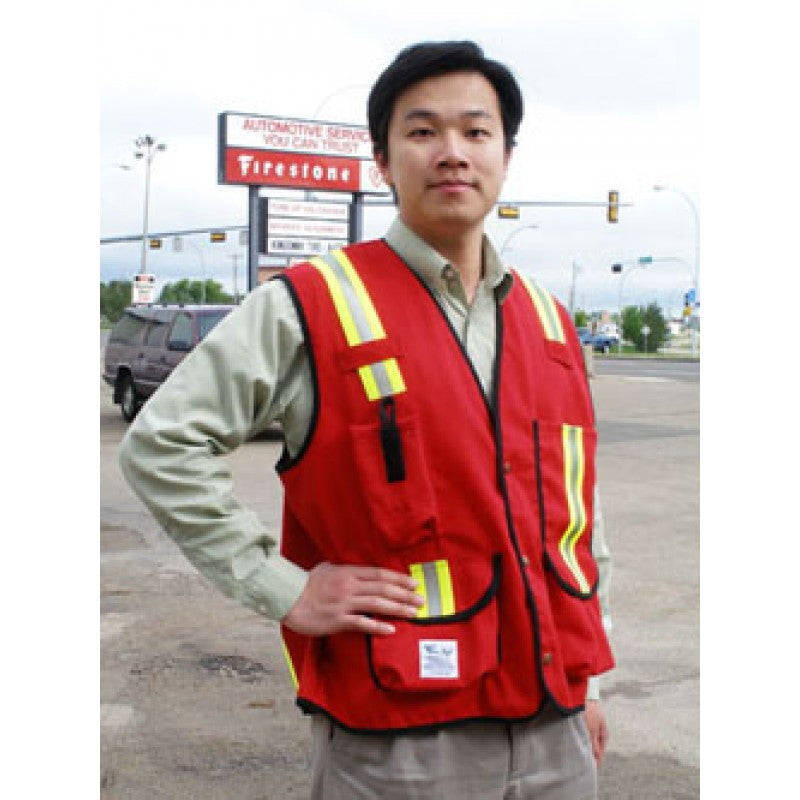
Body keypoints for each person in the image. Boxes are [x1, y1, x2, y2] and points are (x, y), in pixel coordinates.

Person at [119, 40, 614, 800]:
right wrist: (282, 586)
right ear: (382, 161)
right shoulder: (309, 306)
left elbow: (577, 521)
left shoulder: (551, 322)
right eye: (422, 132)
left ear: (506, 155)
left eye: (476, 132)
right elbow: (161, 447)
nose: (452, 152)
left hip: (558, 733)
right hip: (402, 743)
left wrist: (592, 683)